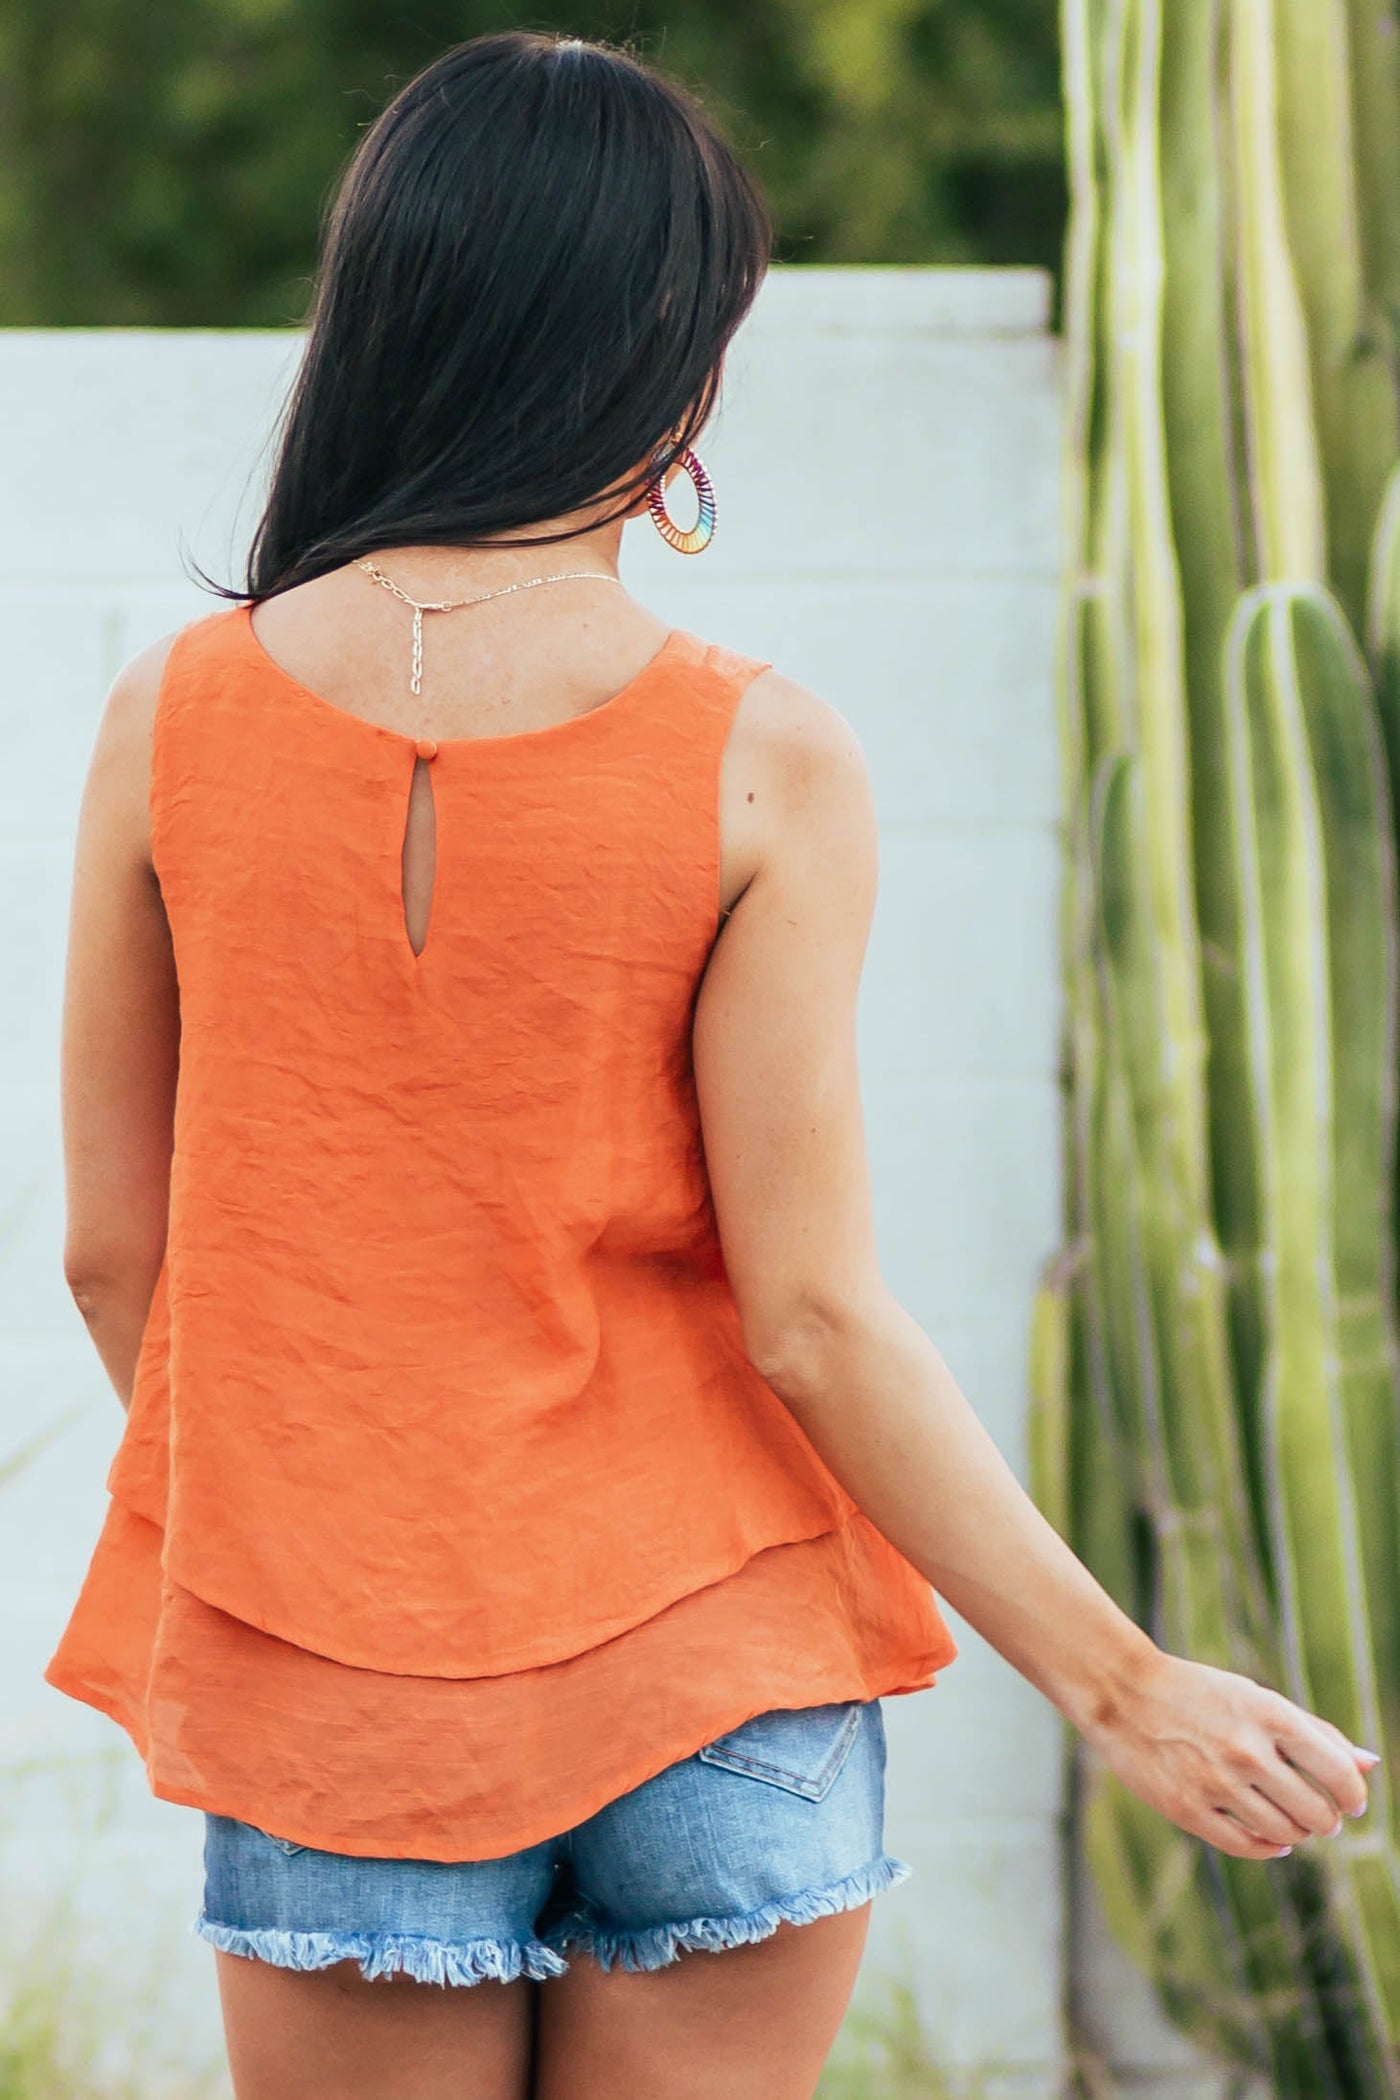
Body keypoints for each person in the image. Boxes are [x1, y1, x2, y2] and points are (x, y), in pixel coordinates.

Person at [48, 28, 1374, 2100]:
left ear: (384, 307)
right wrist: (1118, 1689)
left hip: (339, 1683)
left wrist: (329, 1539)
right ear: (666, 350)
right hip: (718, 1674)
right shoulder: (760, 754)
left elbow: (114, 1258)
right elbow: (817, 1321)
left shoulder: (167, 719)